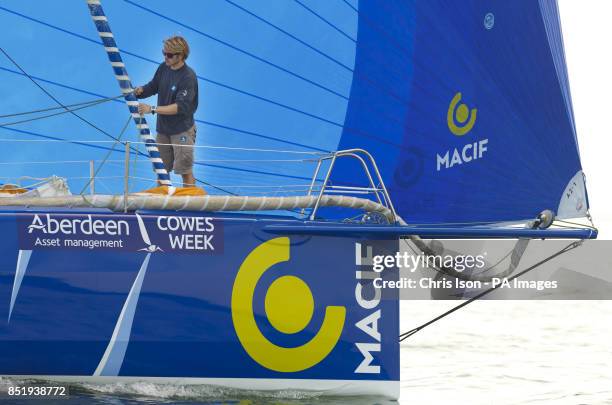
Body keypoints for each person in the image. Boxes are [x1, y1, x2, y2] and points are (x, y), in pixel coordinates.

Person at [135, 36, 199, 188]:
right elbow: (154, 85)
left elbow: (180, 107)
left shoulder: (188, 77)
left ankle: (190, 199)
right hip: (163, 130)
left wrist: (152, 109)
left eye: (169, 55)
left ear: (180, 55)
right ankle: (162, 201)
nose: (165, 57)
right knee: (161, 169)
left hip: (181, 131)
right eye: (164, 53)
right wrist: (140, 91)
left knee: (185, 170)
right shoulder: (164, 67)